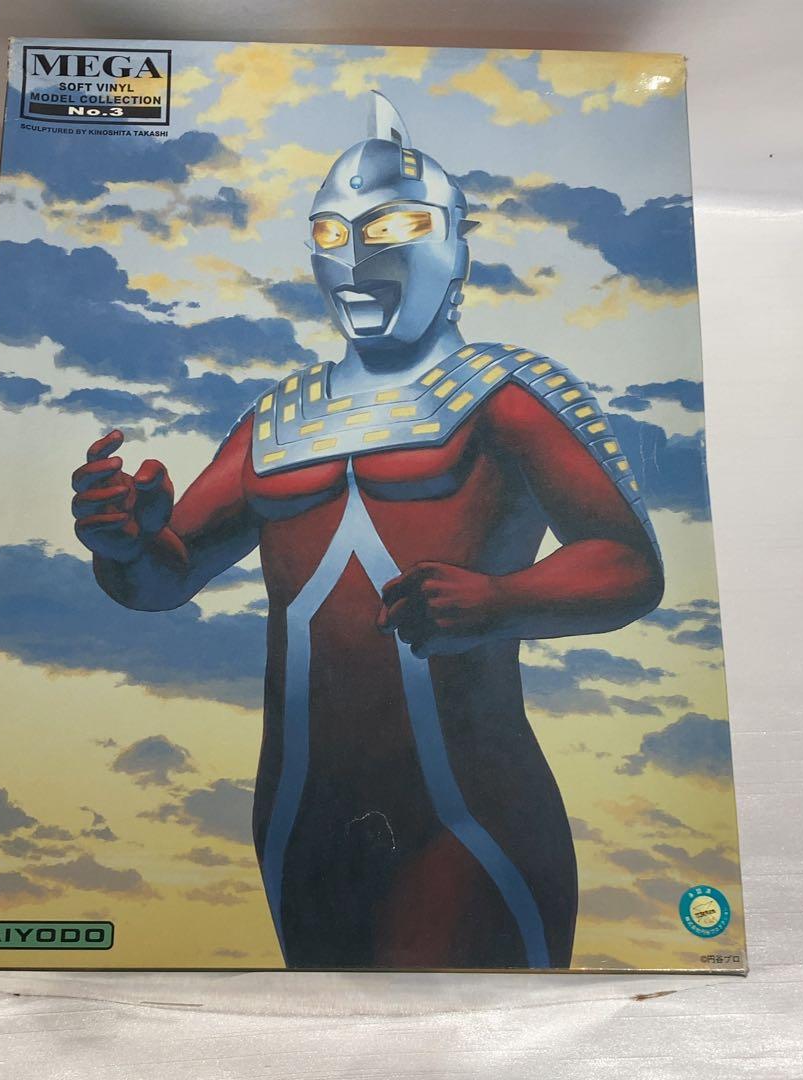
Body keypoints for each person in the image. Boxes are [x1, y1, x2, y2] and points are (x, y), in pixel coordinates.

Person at [71, 93, 663, 969]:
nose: (356, 258)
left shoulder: (506, 394)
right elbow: (164, 578)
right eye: (333, 234)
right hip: (297, 819)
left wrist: (502, 600)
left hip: (468, 814)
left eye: (388, 231)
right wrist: (124, 542)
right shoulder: (280, 418)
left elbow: (628, 563)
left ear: (453, 249)